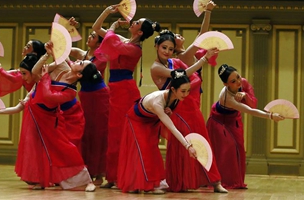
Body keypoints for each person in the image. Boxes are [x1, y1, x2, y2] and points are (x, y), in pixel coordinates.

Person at [0, 53, 97, 191]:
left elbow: (49, 96)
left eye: (81, 63)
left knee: (65, 149)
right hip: (35, 118)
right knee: (36, 150)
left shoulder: (70, 92)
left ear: (79, 75)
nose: (78, 60)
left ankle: (87, 180)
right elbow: (34, 74)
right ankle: (40, 180)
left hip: (51, 120)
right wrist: (47, 54)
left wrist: (44, 78)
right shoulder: (60, 67)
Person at [92, 4, 161, 188]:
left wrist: (113, 28)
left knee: (123, 134)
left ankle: (128, 174)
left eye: (137, 22)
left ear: (139, 32)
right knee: (113, 135)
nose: (133, 21)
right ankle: (112, 176)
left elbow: (112, 41)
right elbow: (97, 29)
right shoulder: (125, 41)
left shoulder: (134, 49)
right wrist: (107, 12)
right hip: (115, 90)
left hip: (125, 91)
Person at [151, 29, 227, 193]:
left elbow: (194, 77)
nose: (167, 52)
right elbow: (183, 76)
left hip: (192, 106)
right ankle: (180, 181)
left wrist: (207, 13)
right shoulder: (155, 68)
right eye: (164, 47)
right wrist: (205, 59)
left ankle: (215, 181)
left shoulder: (175, 61)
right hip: (176, 110)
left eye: (171, 49)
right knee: (182, 145)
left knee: (204, 142)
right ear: (156, 46)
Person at [117, 69, 197, 194]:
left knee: (152, 150)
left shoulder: (176, 98)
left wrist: (169, 112)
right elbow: (172, 127)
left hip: (151, 121)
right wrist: (188, 146)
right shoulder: (157, 102)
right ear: (173, 90)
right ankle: (144, 186)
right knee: (143, 150)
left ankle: (150, 183)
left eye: (188, 91)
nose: (186, 94)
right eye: (183, 91)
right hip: (136, 120)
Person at [206, 64, 284, 189]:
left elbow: (253, 103)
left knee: (239, 148)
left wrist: (245, 95)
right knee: (226, 152)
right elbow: (250, 111)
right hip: (219, 122)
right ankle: (223, 181)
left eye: (238, 77)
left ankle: (237, 181)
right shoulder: (227, 98)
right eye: (233, 81)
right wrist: (271, 116)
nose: (238, 82)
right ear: (226, 84)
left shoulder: (243, 83)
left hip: (234, 119)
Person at [68, 19, 109, 185]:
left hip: (99, 96)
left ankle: (99, 172)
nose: (90, 37)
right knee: (85, 133)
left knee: (99, 133)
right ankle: (86, 170)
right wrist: (69, 30)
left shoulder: (102, 56)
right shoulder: (81, 54)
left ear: (99, 42)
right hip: (85, 94)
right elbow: (62, 50)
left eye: (93, 36)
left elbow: (83, 71)